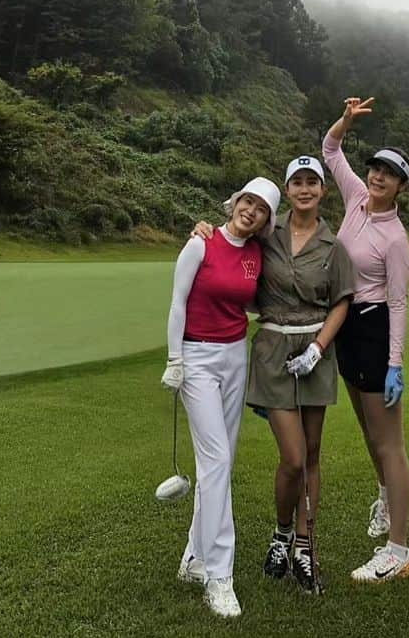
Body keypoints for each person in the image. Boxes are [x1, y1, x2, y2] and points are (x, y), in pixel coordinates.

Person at [192, 155, 355, 594]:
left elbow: (342, 301)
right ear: (287, 190)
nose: (304, 189)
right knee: (294, 457)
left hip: (315, 351)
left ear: (322, 191)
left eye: (312, 183)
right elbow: (232, 239)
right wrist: (204, 229)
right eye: (296, 182)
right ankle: (283, 531)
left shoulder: (332, 244)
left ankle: (304, 544)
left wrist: (319, 348)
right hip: (273, 352)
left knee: (314, 454)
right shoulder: (268, 234)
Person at [162, 177, 280, 620]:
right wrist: (175, 359)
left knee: (222, 460)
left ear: (266, 220)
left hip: (235, 355)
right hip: (196, 358)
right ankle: (219, 575)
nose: (251, 210)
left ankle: (194, 558)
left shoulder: (256, 255)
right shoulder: (201, 243)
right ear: (235, 203)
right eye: (247, 201)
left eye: (261, 209)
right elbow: (177, 303)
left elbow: (249, 303)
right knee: (215, 461)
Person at [322, 96, 409, 583]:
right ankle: (384, 497)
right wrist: (346, 121)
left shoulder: (396, 237)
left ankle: (398, 550)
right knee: (365, 429)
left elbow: (399, 302)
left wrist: (395, 363)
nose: (377, 177)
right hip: (348, 327)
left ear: (401, 187)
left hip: (376, 329)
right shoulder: (357, 197)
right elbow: (330, 150)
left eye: (389, 174)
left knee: (389, 442)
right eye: (375, 169)